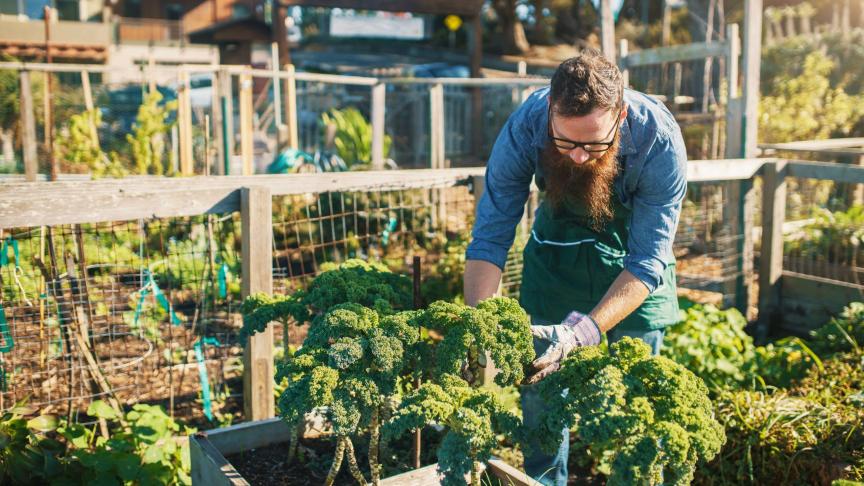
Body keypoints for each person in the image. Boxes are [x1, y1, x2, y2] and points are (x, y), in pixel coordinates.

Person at [463, 50, 687, 485]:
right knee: (542, 389)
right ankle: (544, 480)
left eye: (594, 143)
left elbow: (646, 261)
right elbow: (490, 236)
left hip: (631, 272)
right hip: (557, 259)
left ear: (620, 116)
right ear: (550, 111)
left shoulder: (658, 140)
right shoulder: (527, 125)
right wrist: (481, 325)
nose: (580, 156)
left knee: (636, 397)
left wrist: (581, 333)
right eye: (565, 142)